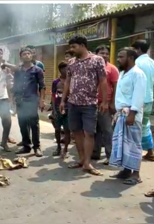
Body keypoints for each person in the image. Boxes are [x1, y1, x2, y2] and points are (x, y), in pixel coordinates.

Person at [60, 34, 108, 176]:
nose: (72, 50)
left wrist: (104, 101)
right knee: (77, 132)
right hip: (73, 103)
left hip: (89, 104)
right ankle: (81, 159)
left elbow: (103, 81)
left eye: (74, 46)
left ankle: (87, 162)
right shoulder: (72, 62)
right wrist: (63, 100)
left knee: (89, 133)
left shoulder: (97, 60)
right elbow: (68, 81)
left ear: (82, 45)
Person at [109, 47, 146, 185]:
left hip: (131, 115)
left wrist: (132, 113)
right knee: (123, 144)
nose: (118, 59)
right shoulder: (123, 73)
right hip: (122, 115)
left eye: (121, 57)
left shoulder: (138, 73)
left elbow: (139, 95)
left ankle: (136, 174)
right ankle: (126, 171)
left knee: (134, 145)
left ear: (130, 58)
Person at [10, 47, 45, 157]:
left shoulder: (37, 70)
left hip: (32, 101)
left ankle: (36, 147)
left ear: (32, 56)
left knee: (34, 124)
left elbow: (42, 86)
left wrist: (41, 100)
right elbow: (15, 86)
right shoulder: (18, 70)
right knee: (22, 123)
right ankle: (26, 146)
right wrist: (12, 100)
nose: (27, 55)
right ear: (20, 56)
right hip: (20, 100)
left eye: (28, 53)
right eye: (24, 54)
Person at [132, 39, 154, 162]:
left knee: (136, 127)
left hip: (139, 99)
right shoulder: (153, 62)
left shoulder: (136, 62)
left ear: (137, 49)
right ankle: (150, 152)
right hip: (149, 98)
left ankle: (134, 157)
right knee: (144, 126)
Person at [92, 45, 119, 164]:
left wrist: (111, 103)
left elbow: (116, 87)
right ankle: (95, 153)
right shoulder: (91, 67)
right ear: (95, 54)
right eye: (101, 53)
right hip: (91, 103)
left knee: (107, 130)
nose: (104, 55)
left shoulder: (112, 69)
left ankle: (110, 156)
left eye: (107, 53)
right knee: (95, 130)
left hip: (105, 104)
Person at [52, 62, 71, 158]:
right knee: (57, 129)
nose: (66, 71)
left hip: (69, 109)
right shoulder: (56, 82)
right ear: (60, 70)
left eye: (67, 69)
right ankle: (58, 146)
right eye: (64, 69)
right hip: (58, 108)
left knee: (67, 130)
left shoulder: (72, 81)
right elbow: (53, 95)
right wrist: (54, 110)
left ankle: (66, 149)